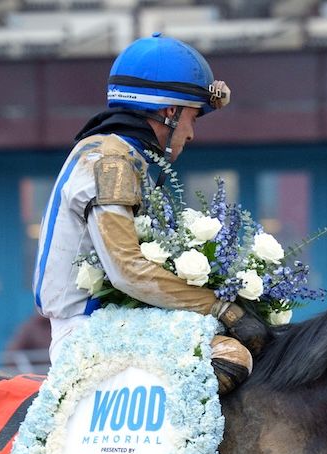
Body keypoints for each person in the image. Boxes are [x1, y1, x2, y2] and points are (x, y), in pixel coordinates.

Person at [30, 34, 268, 393]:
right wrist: (223, 309)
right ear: (169, 112)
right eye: (192, 118)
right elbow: (127, 271)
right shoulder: (112, 161)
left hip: (116, 323)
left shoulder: (126, 156)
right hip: (86, 332)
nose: (191, 134)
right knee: (230, 355)